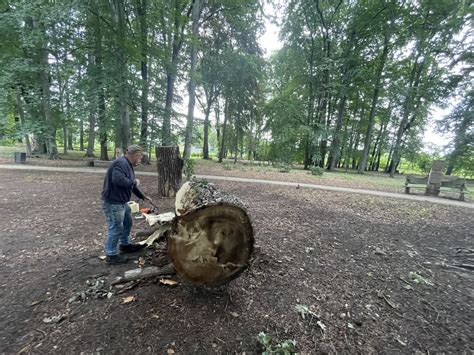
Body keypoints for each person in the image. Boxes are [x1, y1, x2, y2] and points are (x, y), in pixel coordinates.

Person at [101, 144, 153, 264]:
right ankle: (111, 255)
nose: (140, 160)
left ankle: (125, 245)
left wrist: (142, 196)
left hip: (122, 202)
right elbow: (118, 180)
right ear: (134, 155)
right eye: (139, 157)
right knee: (116, 227)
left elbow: (130, 185)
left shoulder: (127, 165)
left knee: (127, 223)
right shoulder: (121, 163)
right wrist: (134, 181)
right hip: (114, 202)